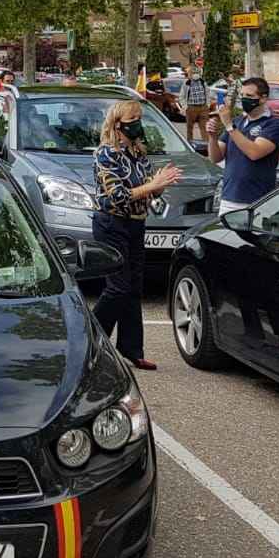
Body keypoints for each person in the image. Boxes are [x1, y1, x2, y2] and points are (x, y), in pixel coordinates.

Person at [91, 100, 182, 370]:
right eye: (134, 117)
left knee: (133, 289)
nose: (139, 122)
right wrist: (151, 185)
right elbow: (117, 196)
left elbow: (145, 188)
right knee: (117, 287)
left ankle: (131, 349)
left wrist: (158, 186)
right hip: (111, 223)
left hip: (136, 223)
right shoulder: (106, 153)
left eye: (140, 117)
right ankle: (92, 342)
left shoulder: (138, 152)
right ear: (118, 123)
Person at [208, 76, 279, 212]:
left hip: (257, 200)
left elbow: (255, 153)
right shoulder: (237, 122)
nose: (244, 99)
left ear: (263, 98)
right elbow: (215, 157)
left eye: (249, 95)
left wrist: (229, 126)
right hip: (229, 197)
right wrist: (212, 138)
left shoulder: (273, 124)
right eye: (242, 95)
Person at [180, 65, 211, 143]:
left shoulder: (203, 82)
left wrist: (207, 104)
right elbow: (181, 96)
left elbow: (207, 93)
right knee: (189, 128)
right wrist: (185, 107)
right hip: (191, 108)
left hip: (203, 107)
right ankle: (190, 143)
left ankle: (206, 144)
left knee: (204, 128)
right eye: (194, 72)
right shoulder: (186, 83)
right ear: (190, 74)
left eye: (197, 72)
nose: (196, 74)